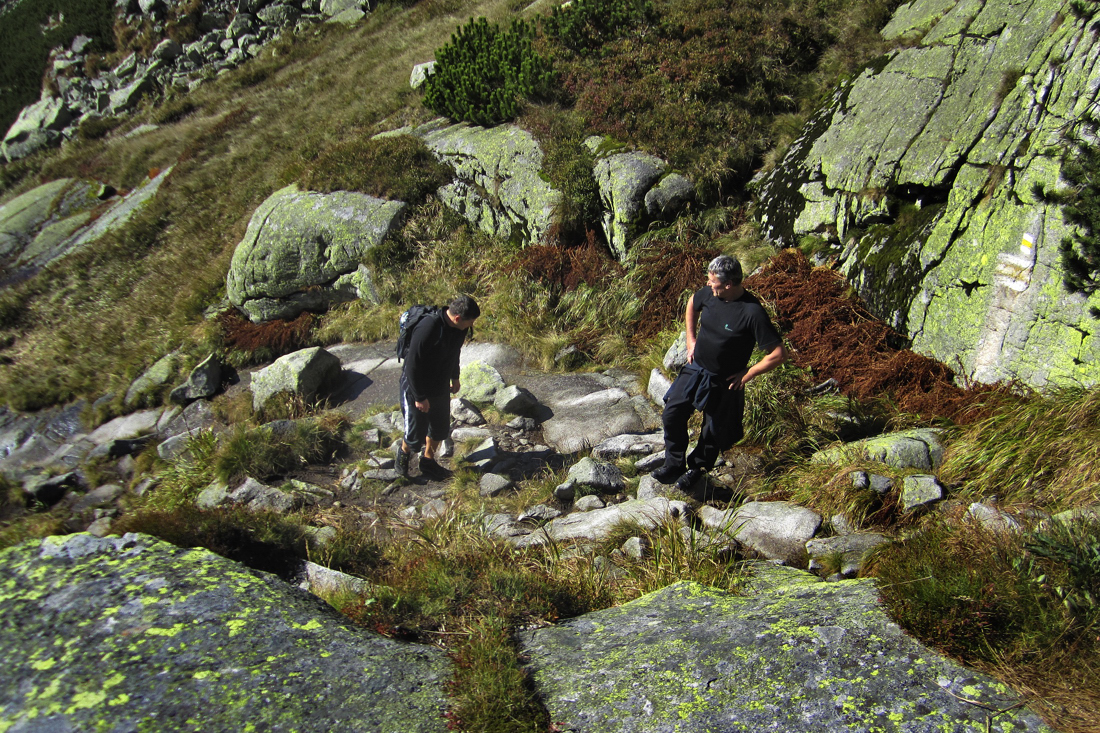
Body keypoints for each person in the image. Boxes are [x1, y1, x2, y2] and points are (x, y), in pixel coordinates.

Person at [653, 255, 786, 491]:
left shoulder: (752, 312)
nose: (708, 283)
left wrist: (748, 373)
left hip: (725, 380)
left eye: (712, 280)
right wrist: (691, 341)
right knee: (672, 413)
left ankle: (697, 469)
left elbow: (777, 354)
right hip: (696, 369)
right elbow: (692, 304)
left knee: (712, 430)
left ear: (729, 284)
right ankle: (674, 464)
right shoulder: (709, 294)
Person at [396, 294, 480, 480]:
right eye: (470, 321)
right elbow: (412, 365)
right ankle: (403, 454)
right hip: (416, 385)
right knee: (414, 434)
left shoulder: (459, 329)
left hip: (439, 384)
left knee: (439, 429)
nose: (471, 325)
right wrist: (419, 397)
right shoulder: (428, 327)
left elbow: (454, 353)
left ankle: (428, 461)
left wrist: (455, 377)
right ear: (458, 318)